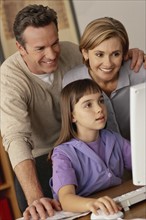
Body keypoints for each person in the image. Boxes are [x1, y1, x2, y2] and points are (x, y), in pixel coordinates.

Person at [0, 5, 145, 219]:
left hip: (87, 146)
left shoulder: (71, 52)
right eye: (40, 48)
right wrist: (35, 198)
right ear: (20, 48)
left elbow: (101, 59)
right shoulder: (8, 78)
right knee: (44, 210)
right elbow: (16, 138)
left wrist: (126, 54)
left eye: (55, 43)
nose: (51, 54)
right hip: (39, 158)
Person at [49, 78, 131, 216]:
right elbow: (66, 199)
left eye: (100, 101)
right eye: (88, 105)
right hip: (87, 214)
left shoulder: (114, 138)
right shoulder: (63, 154)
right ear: (72, 116)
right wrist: (90, 203)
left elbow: (141, 165)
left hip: (115, 208)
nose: (99, 109)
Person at [63, 17, 146, 141]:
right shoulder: (71, 81)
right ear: (85, 53)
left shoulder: (140, 72)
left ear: (124, 53)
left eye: (115, 54)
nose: (108, 63)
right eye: (99, 54)